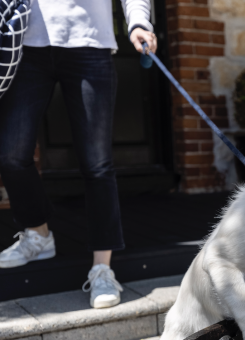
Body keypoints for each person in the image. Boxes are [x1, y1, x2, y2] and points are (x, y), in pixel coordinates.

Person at [0, 0, 157, 308]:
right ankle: (38, 233)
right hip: (26, 46)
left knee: (97, 164)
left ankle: (102, 268)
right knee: (11, 154)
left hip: (89, 43)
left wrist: (138, 21)